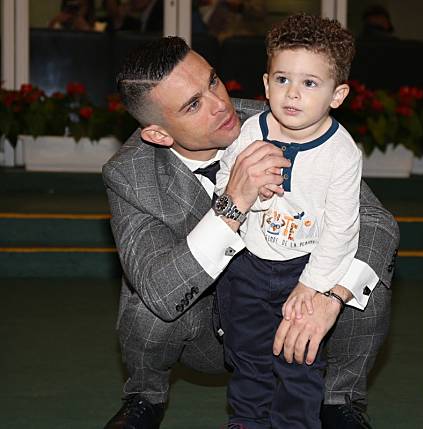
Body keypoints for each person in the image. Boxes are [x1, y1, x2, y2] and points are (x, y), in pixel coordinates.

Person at [102, 36, 398, 429]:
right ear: (158, 134)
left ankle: (339, 401)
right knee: (147, 297)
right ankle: (145, 397)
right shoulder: (129, 174)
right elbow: (161, 291)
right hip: (204, 326)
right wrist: (233, 203)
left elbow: (379, 222)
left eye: (213, 81)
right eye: (193, 105)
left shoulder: (284, 116)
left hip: (296, 302)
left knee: (363, 279)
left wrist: (329, 295)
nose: (220, 105)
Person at [214, 14, 360, 428]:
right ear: (265, 84)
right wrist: (250, 198)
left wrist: (312, 285)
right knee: (248, 359)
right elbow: (226, 182)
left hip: (304, 269)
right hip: (247, 265)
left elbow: (342, 229)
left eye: (309, 83)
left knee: (299, 360)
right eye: (282, 80)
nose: (292, 94)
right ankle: (246, 421)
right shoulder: (250, 131)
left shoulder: (342, 154)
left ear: (338, 94)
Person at [203, 0, 267, 41]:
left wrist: (240, 6)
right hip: (221, 40)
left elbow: (261, 13)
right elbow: (211, 22)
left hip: (247, 38)